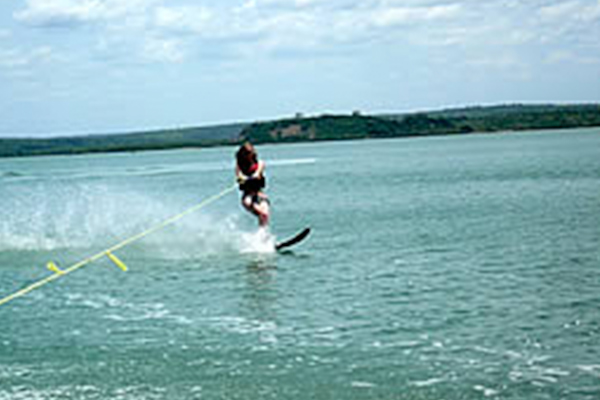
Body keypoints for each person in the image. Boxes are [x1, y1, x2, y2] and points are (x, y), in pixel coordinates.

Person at [235, 142, 270, 227]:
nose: (249, 155)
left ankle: (263, 236)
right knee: (250, 205)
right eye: (247, 153)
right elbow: (238, 175)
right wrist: (241, 178)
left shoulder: (260, 163)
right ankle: (261, 236)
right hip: (247, 195)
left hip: (259, 194)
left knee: (264, 214)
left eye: (251, 152)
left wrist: (255, 175)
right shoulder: (239, 166)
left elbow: (258, 172)